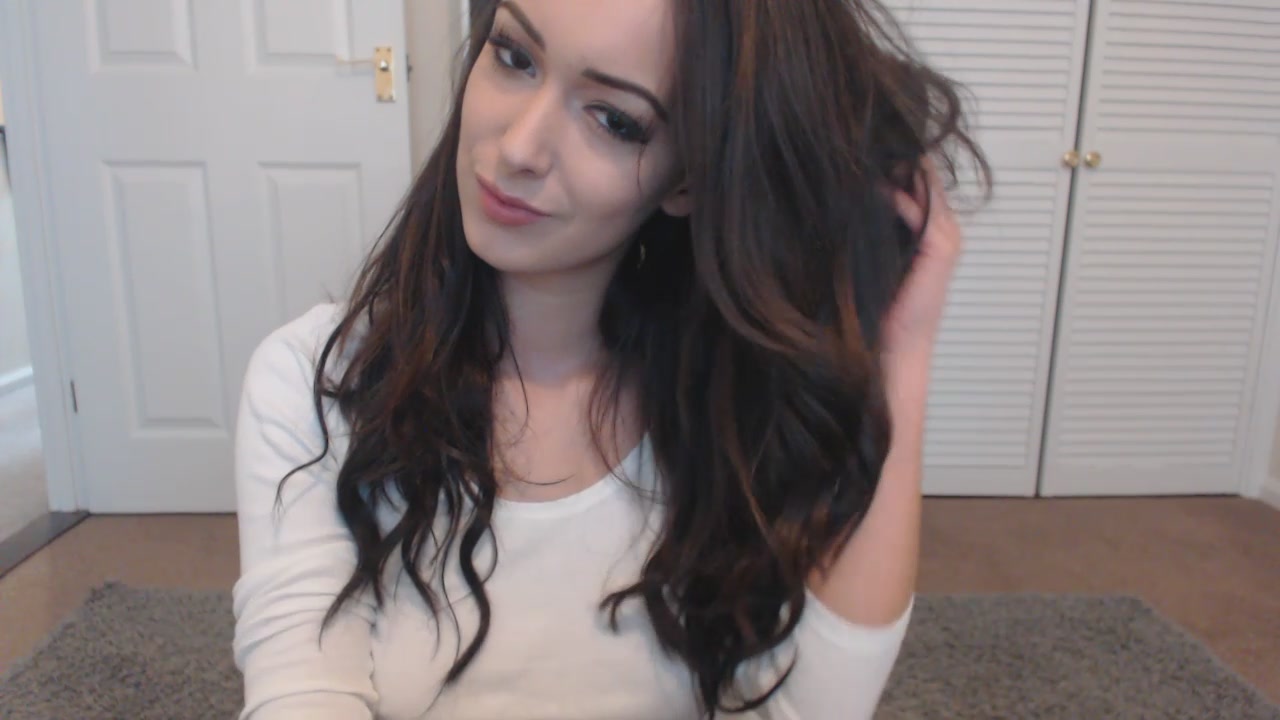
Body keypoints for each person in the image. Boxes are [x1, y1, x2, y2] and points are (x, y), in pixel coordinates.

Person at [230, 0, 991, 718]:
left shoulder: (735, 415)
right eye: (514, 56)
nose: (518, 147)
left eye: (614, 119)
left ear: (687, 177)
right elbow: (300, 691)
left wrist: (900, 350)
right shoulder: (314, 381)